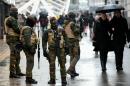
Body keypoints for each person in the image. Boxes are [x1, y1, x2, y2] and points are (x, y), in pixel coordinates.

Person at [42, 17, 67, 85]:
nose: (54, 24)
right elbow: (44, 41)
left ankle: (64, 79)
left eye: (55, 22)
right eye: (52, 22)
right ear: (50, 23)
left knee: (62, 64)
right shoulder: (47, 31)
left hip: (61, 49)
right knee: (52, 65)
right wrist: (44, 50)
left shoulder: (61, 30)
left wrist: (67, 48)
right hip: (52, 50)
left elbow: (66, 38)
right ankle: (52, 79)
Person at [4, 7, 25, 78]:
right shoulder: (11, 19)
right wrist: (23, 30)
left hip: (14, 39)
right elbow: (17, 29)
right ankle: (12, 73)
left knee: (17, 56)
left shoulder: (11, 19)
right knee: (13, 56)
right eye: (16, 12)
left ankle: (18, 71)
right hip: (12, 39)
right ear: (12, 12)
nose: (17, 13)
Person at [20, 15, 38, 84]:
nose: (35, 23)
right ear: (31, 22)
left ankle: (29, 77)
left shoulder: (27, 27)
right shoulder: (27, 29)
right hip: (28, 48)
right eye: (34, 22)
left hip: (28, 47)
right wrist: (31, 48)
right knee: (30, 62)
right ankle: (29, 79)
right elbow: (27, 40)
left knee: (30, 62)